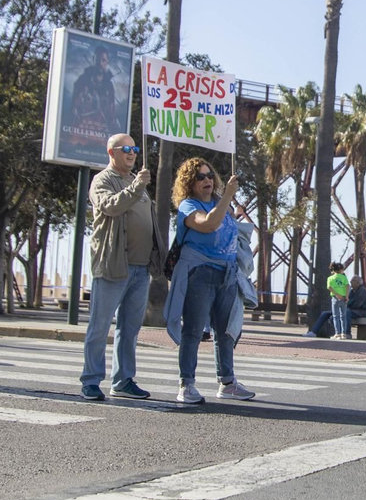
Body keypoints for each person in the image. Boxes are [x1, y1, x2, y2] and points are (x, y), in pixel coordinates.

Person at [80, 133, 166, 401]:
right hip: (113, 265)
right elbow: (109, 207)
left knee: (129, 329)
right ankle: (91, 381)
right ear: (111, 152)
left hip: (140, 269)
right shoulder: (103, 180)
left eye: (135, 148)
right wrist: (136, 187)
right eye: (126, 148)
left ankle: (123, 380)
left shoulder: (136, 181)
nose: (132, 153)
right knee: (100, 325)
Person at [162, 157, 254, 404]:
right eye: (200, 177)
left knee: (225, 331)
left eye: (209, 175)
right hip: (199, 273)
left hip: (226, 274)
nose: (207, 180)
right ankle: (186, 385)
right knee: (193, 331)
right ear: (190, 183)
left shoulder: (220, 205)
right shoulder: (188, 206)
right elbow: (209, 225)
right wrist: (228, 196)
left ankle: (227, 382)